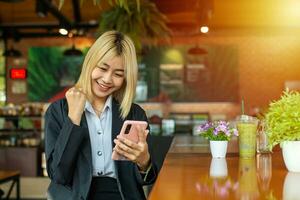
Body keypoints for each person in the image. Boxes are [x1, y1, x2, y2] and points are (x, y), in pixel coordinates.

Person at [45, 30, 158, 200]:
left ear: (126, 78)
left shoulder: (134, 113)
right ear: (90, 63)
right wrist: (74, 117)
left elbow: (147, 179)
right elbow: (58, 175)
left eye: (118, 74)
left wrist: (144, 161)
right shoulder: (58, 111)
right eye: (103, 68)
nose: (107, 79)